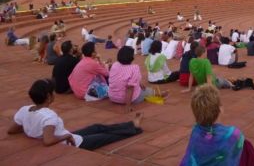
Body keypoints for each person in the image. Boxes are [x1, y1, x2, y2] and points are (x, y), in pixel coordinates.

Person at [7, 79, 144, 150]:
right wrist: (66, 136)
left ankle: (131, 124)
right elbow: (48, 141)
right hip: (75, 143)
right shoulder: (48, 116)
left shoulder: (25, 110)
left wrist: (30, 128)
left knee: (97, 127)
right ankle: (134, 129)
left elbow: (12, 130)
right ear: (49, 97)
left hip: (70, 136)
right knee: (107, 137)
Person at [180, 84, 254, 165]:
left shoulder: (196, 131)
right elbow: (251, 160)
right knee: (247, 148)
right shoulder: (233, 134)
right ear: (220, 109)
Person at [108, 46, 153, 112]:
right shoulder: (135, 68)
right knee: (150, 91)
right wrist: (128, 106)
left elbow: (122, 78)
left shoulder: (115, 64)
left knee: (141, 88)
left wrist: (139, 83)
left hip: (112, 97)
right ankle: (158, 94)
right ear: (131, 57)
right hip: (126, 99)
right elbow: (130, 88)